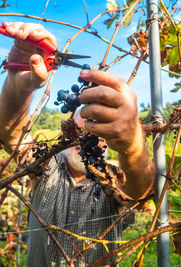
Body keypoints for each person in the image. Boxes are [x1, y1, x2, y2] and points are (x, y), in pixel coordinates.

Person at [0, 22, 155, 266]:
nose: (87, 127)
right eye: (84, 113)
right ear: (69, 119)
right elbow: (11, 134)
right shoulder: (46, 166)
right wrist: (18, 87)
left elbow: (140, 189)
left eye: (99, 121)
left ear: (111, 137)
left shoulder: (112, 179)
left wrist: (134, 146)